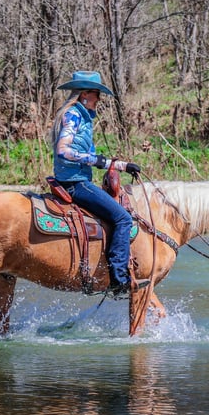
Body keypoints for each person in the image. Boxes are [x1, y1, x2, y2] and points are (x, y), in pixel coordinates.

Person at [51, 70, 142, 296]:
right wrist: (97, 160)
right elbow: (63, 150)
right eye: (96, 94)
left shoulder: (81, 116)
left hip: (78, 178)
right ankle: (118, 278)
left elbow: (88, 156)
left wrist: (121, 165)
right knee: (122, 218)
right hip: (75, 182)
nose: (99, 99)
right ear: (84, 95)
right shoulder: (73, 115)